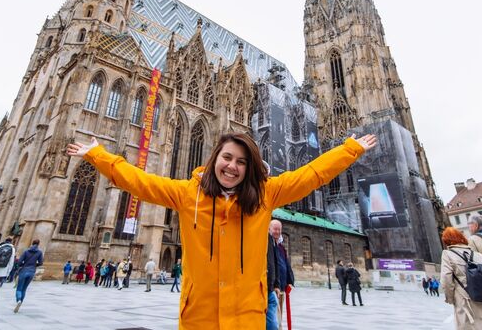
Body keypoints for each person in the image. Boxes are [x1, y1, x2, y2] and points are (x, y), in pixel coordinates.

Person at [67, 131, 376, 328]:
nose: (232, 166)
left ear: (249, 168)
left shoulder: (266, 194)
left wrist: (350, 149)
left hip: (247, 318)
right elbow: (138, 182)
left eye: (241, 162)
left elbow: (312, 175)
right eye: (227, 157)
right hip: (199, 318)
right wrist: (98, 155)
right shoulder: (188, 194)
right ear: (215, 158)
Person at [440, 227, 482, 329]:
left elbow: (446, 279)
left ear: (446, 241)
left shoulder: (447, 254)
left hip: (465, 299)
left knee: (469, 325)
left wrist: (450, 298)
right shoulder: (478, 255)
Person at [270, 219, 294, 329]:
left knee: (279, 313)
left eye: (279, 229)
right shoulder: (269, 245)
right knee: (274, 316)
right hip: (274, 287)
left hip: (282, 286)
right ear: (269, 229)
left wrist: (290, 281)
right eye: (275, 229)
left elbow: (286, 264)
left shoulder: (280, 246)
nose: (277, 231)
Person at [14, 239, 43, 313]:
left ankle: (18, 300)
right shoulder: (39, 252)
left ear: (32, 243)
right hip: (32, 271)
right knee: (24, 289)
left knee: (19, 288)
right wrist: (34, 265)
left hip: (24, 270)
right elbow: (40, 263)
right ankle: (20, 303)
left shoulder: (26, 251)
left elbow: (19, 262)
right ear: (38, 244)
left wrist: (23, 264)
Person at [266, 231, 279, 330]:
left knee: (273, 325)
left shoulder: (269, 238)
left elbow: (275, 262)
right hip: (257, 289)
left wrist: (276, 284)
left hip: (270, 289)